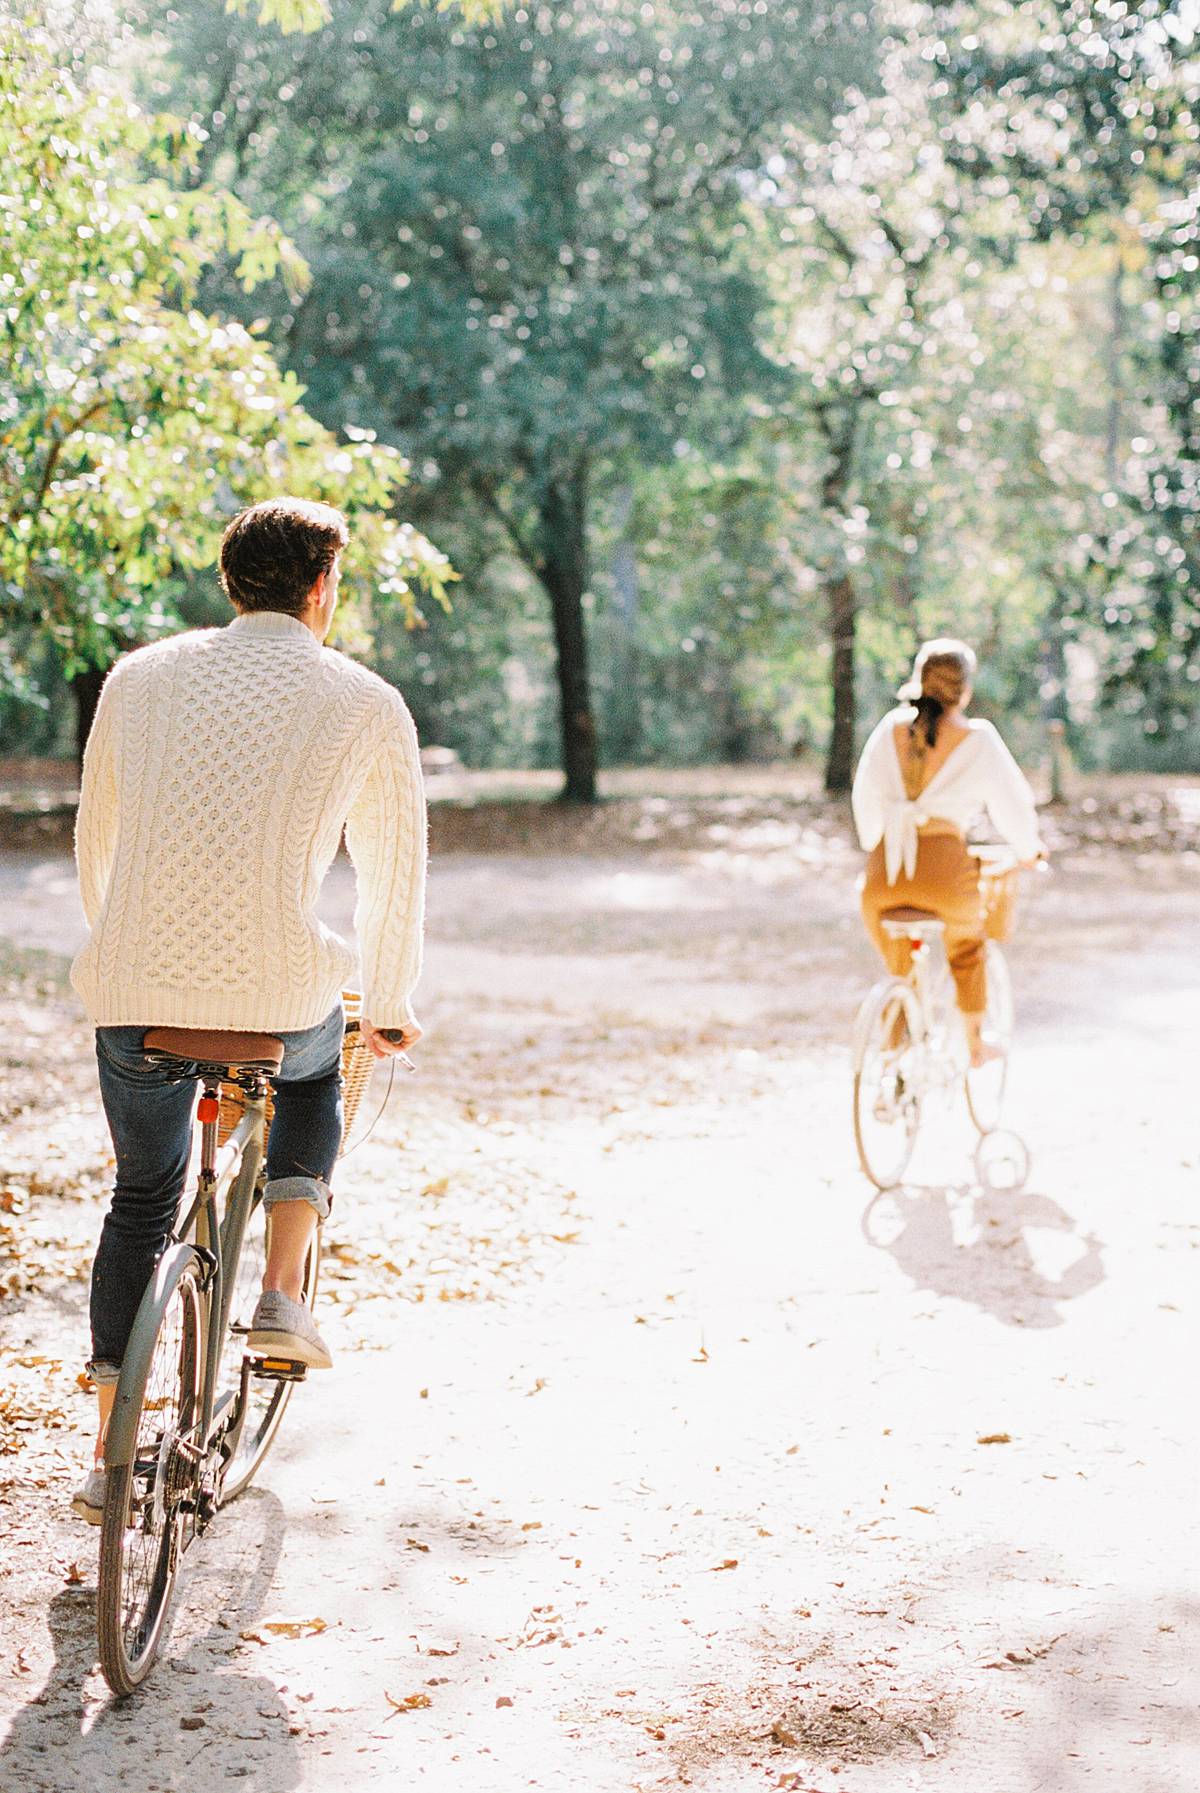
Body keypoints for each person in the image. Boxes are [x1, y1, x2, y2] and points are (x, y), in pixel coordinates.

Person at [69, 496, 426, 1522]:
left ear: (232, 582)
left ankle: (107, 1449)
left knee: (142, 1198)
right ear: (323, 588)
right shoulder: (364, 701)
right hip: (279, 988)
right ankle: (281, 1292)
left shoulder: (138, 678)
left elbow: (100, 837)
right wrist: (390, 1004)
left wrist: (129, 948)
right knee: (318, 1064)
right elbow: (392, 874)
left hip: (133, 995)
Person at [851, 638, 1044, 1066]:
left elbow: (863, 797)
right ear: (966, 689)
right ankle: (976, 1045)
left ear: (918, 681)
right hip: (946, 875)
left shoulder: (889, 730)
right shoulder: (978, 739)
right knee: (967, 945)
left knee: (900, 959)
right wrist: (1028, 849)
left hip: (885, 874)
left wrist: (875, 841)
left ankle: (897, 1039)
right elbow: (1012, 803)